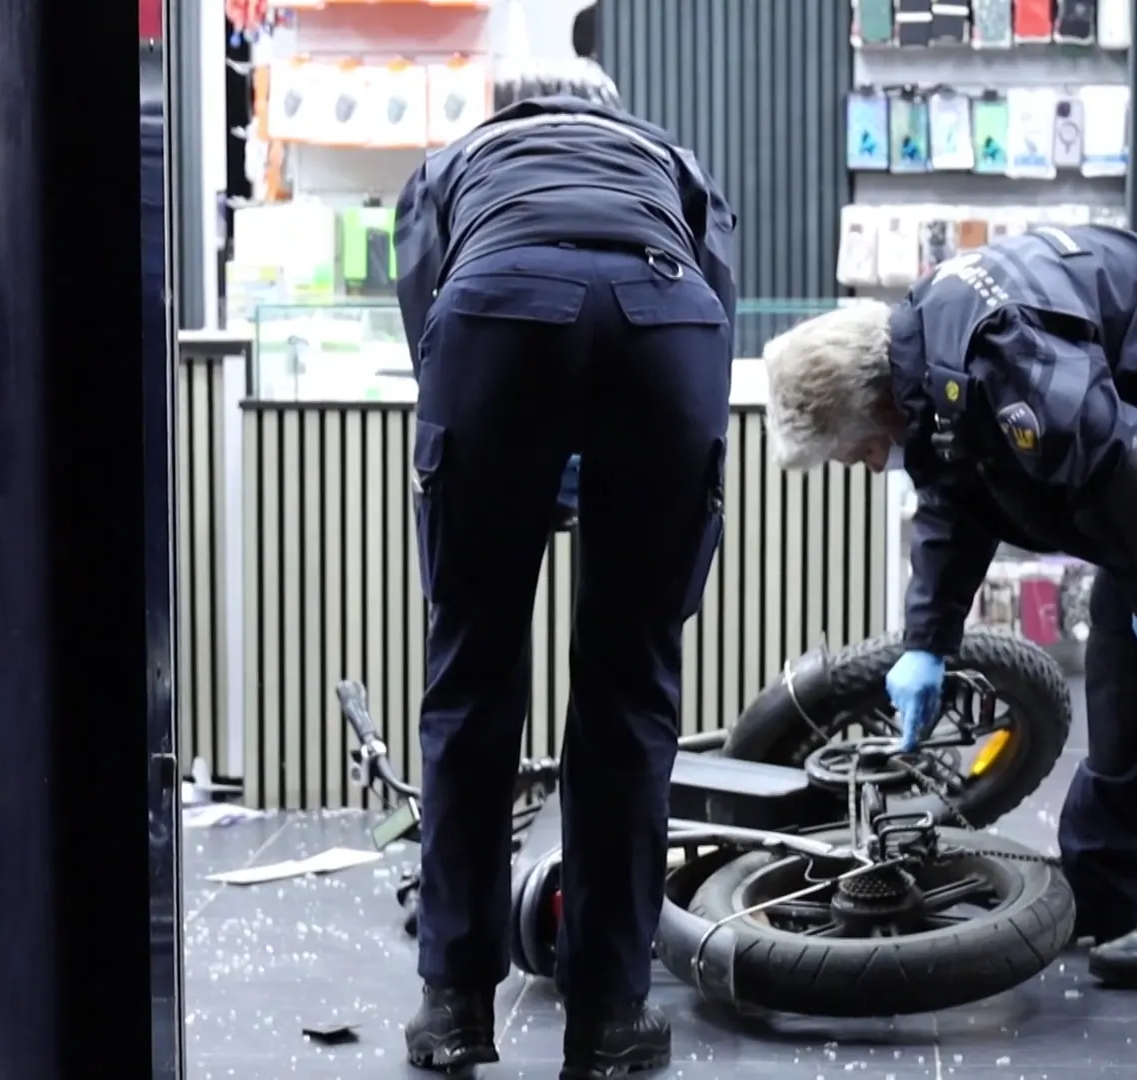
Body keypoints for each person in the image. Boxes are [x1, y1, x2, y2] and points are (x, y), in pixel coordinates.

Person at [759, 225, 1137, 990]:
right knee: (1122, 659)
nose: (862, 465)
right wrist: (928, 641)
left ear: (871, 405)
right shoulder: (926, 360)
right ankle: (1108, 886)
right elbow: (954, 496)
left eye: (852, 452)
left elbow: (1127, 481)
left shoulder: (1003, 357)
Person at [391, 58, 737, 1075]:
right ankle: (609, 1017)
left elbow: (425, 309)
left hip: (493, 312)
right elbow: (717, 288)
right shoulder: (668, 156)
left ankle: (454, 1005)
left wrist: (500, 439)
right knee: (631, 685)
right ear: (610, 113)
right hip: (668, 319)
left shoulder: (459, 156)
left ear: (513, 110)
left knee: (473, 671)